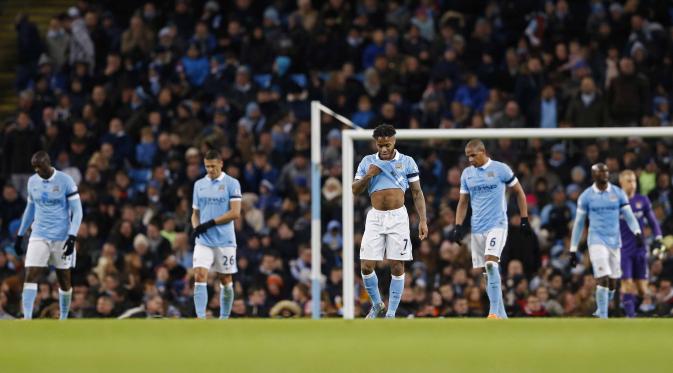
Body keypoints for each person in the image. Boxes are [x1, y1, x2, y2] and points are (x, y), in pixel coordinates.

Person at [448, 139, 531, 319]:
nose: (470, 159)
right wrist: (458, 226)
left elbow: (519, 192)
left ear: (483, 151)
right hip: (477, 228)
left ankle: (493, 312)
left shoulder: (501, 169)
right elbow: (463, 202)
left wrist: (524, 218)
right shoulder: (467, 174)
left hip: (497, 225)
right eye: (467, 156)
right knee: (486, 273)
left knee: (491, 263)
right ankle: (501, 314)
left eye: (473, 155)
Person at [352, 124, 427, 318]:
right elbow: (354, 189)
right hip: (375, 217)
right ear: (376, 144)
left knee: (397, 265)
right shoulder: (367, 162)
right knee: (366, 265)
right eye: (380, 145)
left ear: (394, 141)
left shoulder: (407, 162)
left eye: (387, 145)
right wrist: (369, 175)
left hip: (398, 217)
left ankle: (391, 313)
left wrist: (423, 221)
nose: (384, 149)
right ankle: (377, 304)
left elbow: (417, 193)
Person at [15, 151, 83, 319]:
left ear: (49, 163)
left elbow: (78, 211)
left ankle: (64, 317)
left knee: (64, 280)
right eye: (35, 168)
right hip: (39, 234)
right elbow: (30, 209)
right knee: (30, 274)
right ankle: (28, 318)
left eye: (41, 167)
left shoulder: (65, 180)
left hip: (61, 237)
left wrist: (72, 236)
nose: (38, 171)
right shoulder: (32, 182)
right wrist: (20, 234)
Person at [569, 163, 642, 319]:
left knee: (613, 280)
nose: (604, 174)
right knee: (603, 275)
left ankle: (602, 305)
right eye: (600, 172)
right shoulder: (586, 196)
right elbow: (579, 223)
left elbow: (629, 215)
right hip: (596, 240)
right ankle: (603, 315)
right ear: (593, 175)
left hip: (615, 241)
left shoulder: (618, 193)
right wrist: (573, 248)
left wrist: (637, 232)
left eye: (606, 172)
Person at [191, 150, 242, 319]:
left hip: (225, 240)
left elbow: (235, 213)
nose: (210, 170)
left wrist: (211, 223)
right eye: (207, 166)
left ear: (221, 163)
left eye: (213, 166)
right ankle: (200, 318)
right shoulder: (199, 185)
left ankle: (224, 318)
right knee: (199, 275)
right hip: (204, 240)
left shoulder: (232, 183)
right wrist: (195, 227)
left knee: (225, 280)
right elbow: (195, 213)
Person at [618, 170, 663, 317]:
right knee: (627, 284)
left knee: (643, 289)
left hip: (640, 249)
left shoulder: (642, 200)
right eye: (629, 181)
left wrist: (658, 238)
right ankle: (630, 317)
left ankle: (631, 311)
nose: (632, 184)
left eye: (634, 181)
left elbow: (653, 222)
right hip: (624, 250)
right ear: (621, 183)